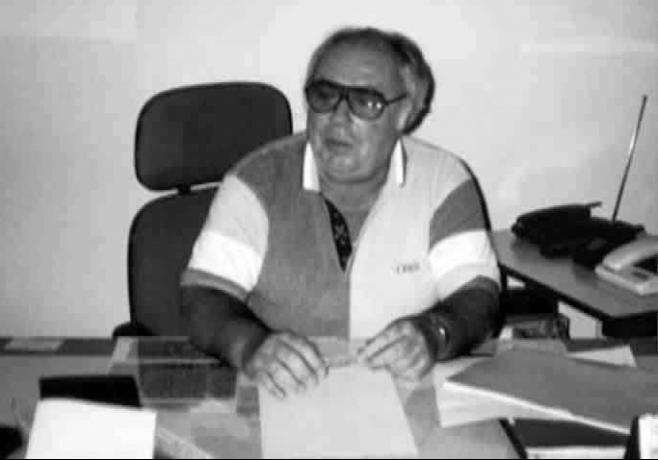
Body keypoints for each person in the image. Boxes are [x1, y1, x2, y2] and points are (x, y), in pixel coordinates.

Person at [180, 26, 500, 399]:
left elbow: (478, 297)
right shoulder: (255, 180)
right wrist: (250, 347)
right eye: (325, 95)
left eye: (365, 101)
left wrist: (435, 332)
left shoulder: (444, 181)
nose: (338, 116)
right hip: (281, 396)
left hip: (405, 398)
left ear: (405, 113)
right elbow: (203, 296)